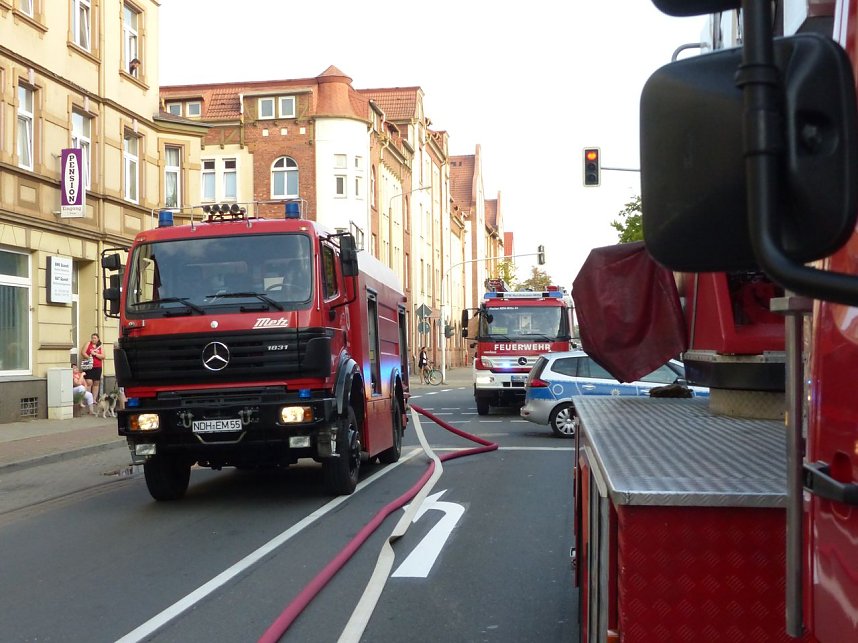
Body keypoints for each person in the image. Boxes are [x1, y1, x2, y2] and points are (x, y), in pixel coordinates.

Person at [81, 332, 105, 402]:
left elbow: (103, 356)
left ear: (98, 339)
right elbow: (83, 352)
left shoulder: (100, 346)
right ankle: (89, 399)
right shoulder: (88, 343)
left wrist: (95, 354)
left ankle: (94, 399)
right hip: (89, 366)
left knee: (96, 383)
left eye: (95, 338)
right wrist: (89, 358)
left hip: (97, 367)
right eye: (92, 338)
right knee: (89, 382)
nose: (93, 339)